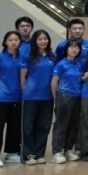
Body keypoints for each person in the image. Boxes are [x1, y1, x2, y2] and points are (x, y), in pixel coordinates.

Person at [20, 30, 56, 164]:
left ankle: (39, 153)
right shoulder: (28, 56)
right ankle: (28, 154)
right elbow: (23, 76)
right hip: (30, 97)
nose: (43, 41)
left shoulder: (53, 56)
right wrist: (25, 91)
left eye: (45, 39)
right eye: (40, 39)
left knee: (44, 126)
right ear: (35, 41)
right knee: (28, 126)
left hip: (47, 96)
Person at [0, 31, 26, 167]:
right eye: (10, 40)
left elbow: (23, 77)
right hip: (2, 98)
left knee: (14, 126)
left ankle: (11, 153)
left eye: (16, 39)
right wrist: (0, 89)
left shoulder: (22, 58)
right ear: (5, 42)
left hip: (17, 98)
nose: (14, 42)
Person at [50, 40, 84, 163]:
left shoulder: (78, 64)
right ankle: (57, 152)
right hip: (64, 97)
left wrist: (85, 77)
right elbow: (54, 82)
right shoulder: (61, 64)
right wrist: (56, 98)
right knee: (61, 125)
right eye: (71, 47)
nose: (74, 50)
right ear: (66, 49)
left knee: (74, 125)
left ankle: (68, 149)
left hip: (77, 97)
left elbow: (78, 79)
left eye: (77, 48)